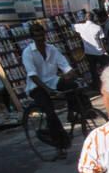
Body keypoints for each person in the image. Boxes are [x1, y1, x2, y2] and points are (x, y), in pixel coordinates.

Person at [22, 21, 80, 152]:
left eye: (41, 36)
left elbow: (64, 66)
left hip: (53, 80)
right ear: (33, 38)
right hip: (36, 86)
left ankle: (72, 113)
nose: (40, 39)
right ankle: (59, 143)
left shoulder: (52, 49)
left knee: (74, 86)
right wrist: (47, 89)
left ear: (45, 35)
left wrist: (72, 74)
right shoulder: (28, 52)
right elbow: (32, 75)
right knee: (50, 112)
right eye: (37, 37)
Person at [74, 10, 107, 90]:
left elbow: (72, 25)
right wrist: (105, 51)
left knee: (93, 70)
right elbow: (102, 41)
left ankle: (96, 86)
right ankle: (106, 84)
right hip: (99, 52)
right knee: (104, 69)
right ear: (93, 18)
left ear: (85, 18)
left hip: (89, 53)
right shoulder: (98, 27)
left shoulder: (80, 26)